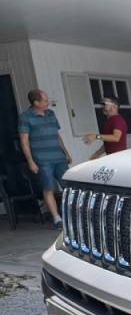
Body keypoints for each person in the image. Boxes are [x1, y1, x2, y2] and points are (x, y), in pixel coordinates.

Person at [18, 89, 72, 229]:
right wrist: (30, 161)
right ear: (36, 102)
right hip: (42, 160)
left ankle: (72, 216)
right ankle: (57, 219)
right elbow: (24, 141)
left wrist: (65, 152)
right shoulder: (25, 117)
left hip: (59, 158)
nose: (48, 103)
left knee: (69, 188)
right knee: (48, 189)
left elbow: (57, 135)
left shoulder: (51, 113)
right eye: (45, 101)